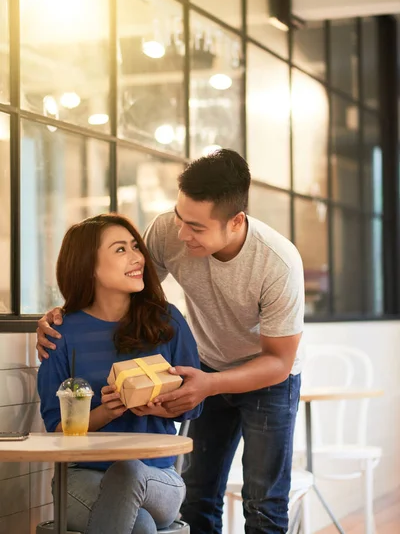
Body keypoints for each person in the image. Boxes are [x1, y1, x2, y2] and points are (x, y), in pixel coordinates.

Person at [36, 150, 304, 534]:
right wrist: (59, 316)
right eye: (179, 217)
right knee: (197, 498)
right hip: (204, 365)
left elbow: (278, 361)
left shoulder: (277, 263)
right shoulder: (167, 232)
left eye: (195, 227)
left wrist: (207, 385)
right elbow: (123, 291)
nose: (180, 234)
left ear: (236, 222)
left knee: (263, 502)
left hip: (267, 373)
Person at [37, 213, 202, 534]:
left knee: (129, 472)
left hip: (158, 476)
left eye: (135, 246)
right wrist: (105, 411)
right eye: (120, 250)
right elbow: (56, 430)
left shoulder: (167, 322)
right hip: (82, 476)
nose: (137, 256)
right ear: (89, 268)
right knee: (138, 526)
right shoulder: (61, 334)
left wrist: (159, 404)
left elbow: (195, 406)